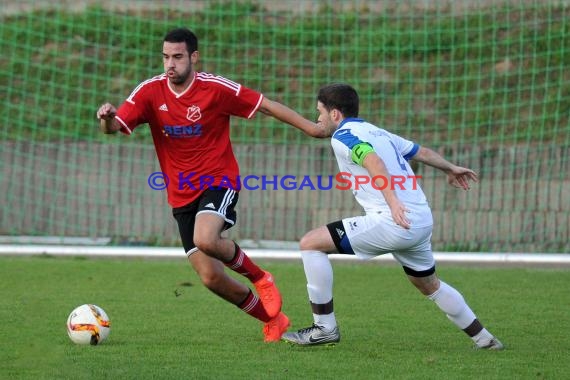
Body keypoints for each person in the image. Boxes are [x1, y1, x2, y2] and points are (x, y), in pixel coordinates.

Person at [96, 27, 325, 342]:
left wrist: (312, 129)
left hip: (219, 180)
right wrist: (107, 117)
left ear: (193, 57)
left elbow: (267, 105)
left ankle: (262, 278)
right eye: (165, 57)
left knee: (205, 238)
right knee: (210, 277)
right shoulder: (150, 92)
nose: (170, 64)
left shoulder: (215, 88)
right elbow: (114, 127)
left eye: (177, 57)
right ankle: (274, 320)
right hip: (180, 195)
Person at [281, 83, 504, 350]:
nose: (317, 119)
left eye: (319, 112)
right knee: (429, 285)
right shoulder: (379, 132)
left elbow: (373, 162)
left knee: (310, 244)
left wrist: (393, 202)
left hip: (392, 220)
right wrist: (450, 167)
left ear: (335, 114)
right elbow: (419, 152)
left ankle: (324, 328)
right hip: (420, 220)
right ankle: (485, 339)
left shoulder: (343, 136)